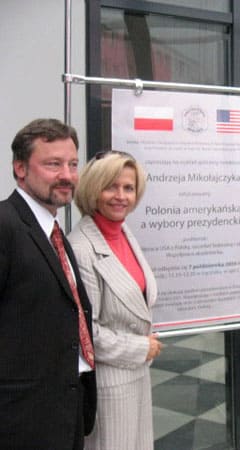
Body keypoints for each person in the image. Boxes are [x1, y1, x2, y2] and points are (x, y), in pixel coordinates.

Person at [0, 118, 97, 449]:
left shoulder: (54, 233)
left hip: (64, 410)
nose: (67, 176)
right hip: (20, 420)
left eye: (72, 164)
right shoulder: (5, 225)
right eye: (53, 164)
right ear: (20, 168)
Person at [68, 150, 162, 450]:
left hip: (136, 374)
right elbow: (85, 333)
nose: (121, 196)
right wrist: (141, 347)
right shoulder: (81, 247)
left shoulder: (123, 234)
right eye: (112, 186)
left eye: (129, 188)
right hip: (109, 384)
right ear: (94, 189)